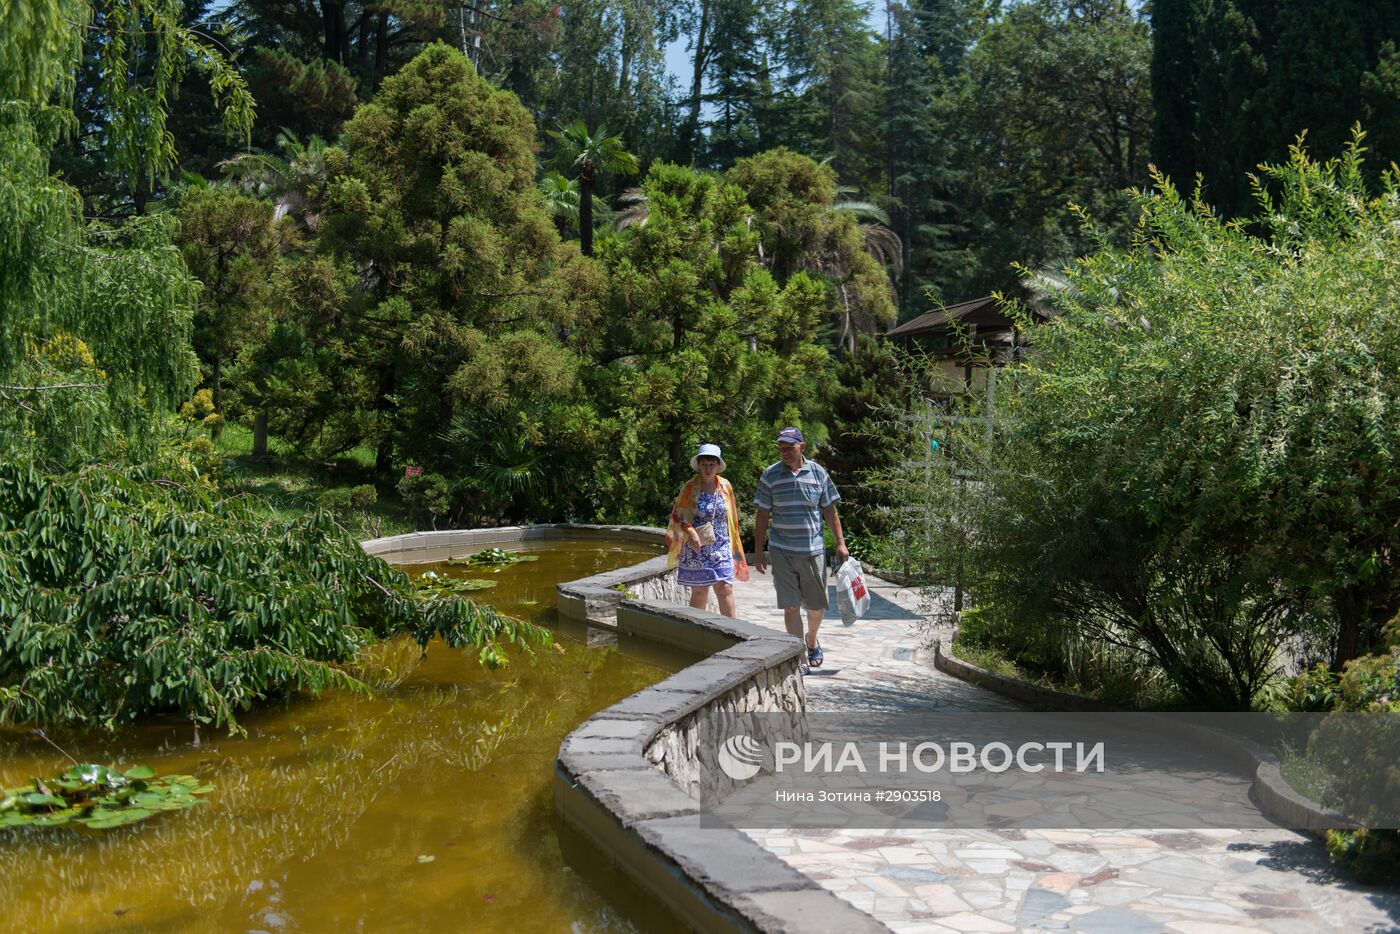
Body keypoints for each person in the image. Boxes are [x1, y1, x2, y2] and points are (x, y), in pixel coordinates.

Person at [753, 426, 847, 672]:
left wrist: (840, 543)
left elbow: (829, 510)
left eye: (789, 447)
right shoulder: (770, 476)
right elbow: (762, 514)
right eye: (781, 448)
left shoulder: (818, 474)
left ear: (802, 446)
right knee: (791, 606)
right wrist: (759, 548)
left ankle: (812, 640)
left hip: (812, 550)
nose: (784, 452)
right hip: (781, 551)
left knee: (816, 607)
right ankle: (800, 658)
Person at [666, 443, 749, 617]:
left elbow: (731, 518)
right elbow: (679, 516)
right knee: (700, 591)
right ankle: (697, 635)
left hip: (721, 545)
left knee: (725, 588)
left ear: (718, 466)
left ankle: (734, 632)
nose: (708, 468)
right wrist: (691, 532)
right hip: (697, 547)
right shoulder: (690, 487)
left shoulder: (726, 486)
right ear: (699, 466)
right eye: (704, 464)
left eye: (712, 464)